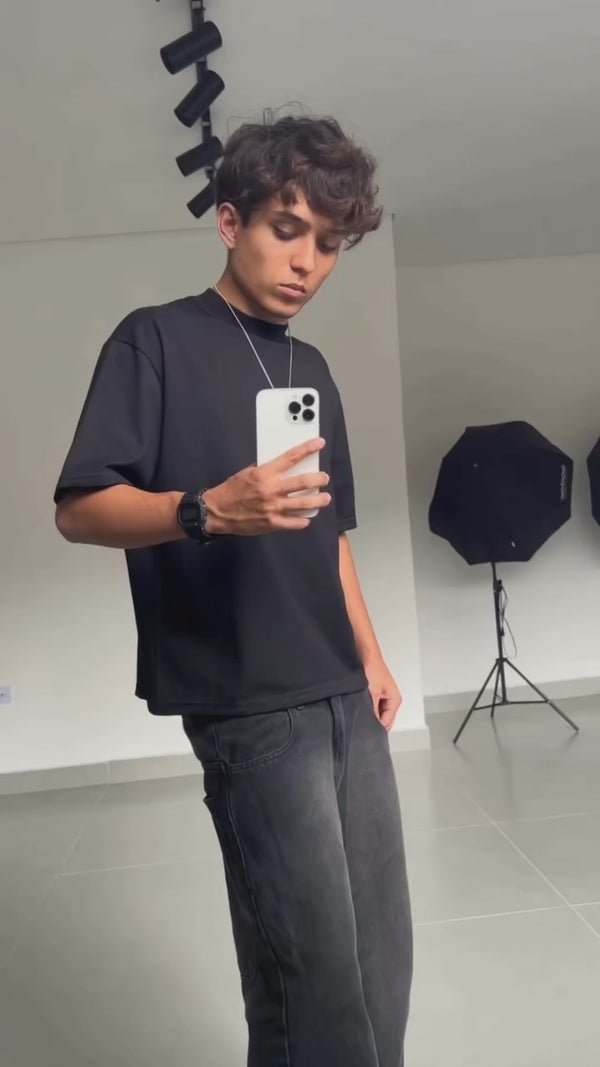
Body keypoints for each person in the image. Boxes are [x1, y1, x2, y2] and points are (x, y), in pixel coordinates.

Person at [54, 113, 413, 1067]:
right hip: (249, 703)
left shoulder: (313, 368)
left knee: (383, 971)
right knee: (310, 986)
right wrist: (206, 509)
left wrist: (372, 655)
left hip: (342, 691)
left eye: (328, 245)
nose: (307, 263)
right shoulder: (154, 341)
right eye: (287, 230)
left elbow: (330, 530)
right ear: (229, 221)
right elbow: (79, 508)